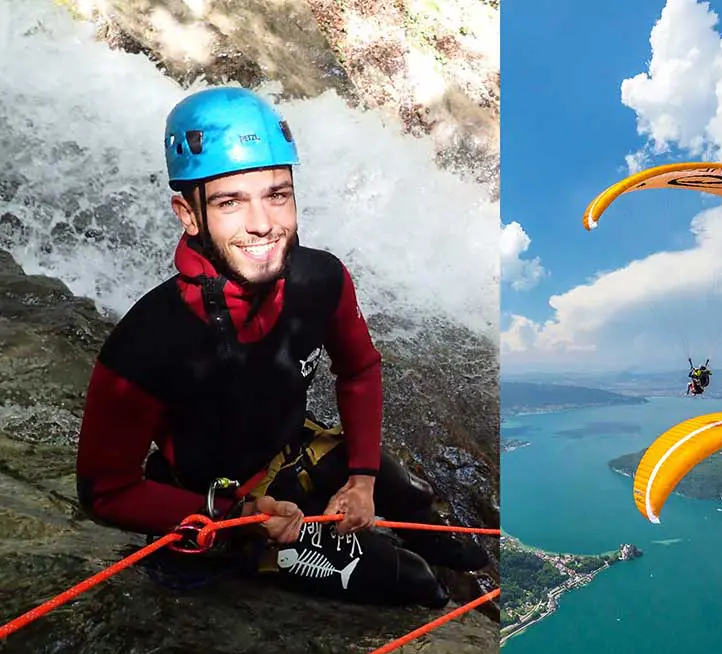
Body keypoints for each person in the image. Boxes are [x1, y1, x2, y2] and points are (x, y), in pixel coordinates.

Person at [74, 86, 488, 609]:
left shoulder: (322, 279)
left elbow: (359, 368)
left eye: (277, 194)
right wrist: (235, 516)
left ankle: (484, 586)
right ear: (189, 213)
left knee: (422, 510)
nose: (264, 224)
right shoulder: (149, 343)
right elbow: (106, 490)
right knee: (411, 581)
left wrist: (361, 478)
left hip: (290, 452)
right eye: (230, 202)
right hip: (222, 501)